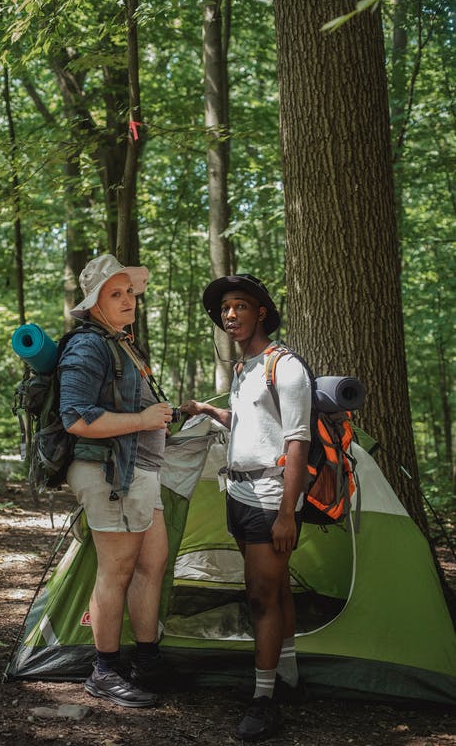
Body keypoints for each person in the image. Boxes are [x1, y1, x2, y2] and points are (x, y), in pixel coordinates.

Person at [181, 274, 311, 742]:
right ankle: (288, 679)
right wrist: (210, 411)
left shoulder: (287, 367)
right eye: (224, 310)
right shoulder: (244, 369)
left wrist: (287, 513)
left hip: (271, 499)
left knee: (260, 597)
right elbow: (252, 423)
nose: (229, 315)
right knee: (276, 592)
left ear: (261, 312)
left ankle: (264, 701)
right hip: (237, 495)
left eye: (239, 306)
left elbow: (297, 440)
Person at [59, 253, 173, 709]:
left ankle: (147, 660)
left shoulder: (122, 342)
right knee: (117, 570)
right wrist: (142, 417)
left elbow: (136, 410)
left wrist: (168, 414)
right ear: (94, 303)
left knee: (152, 564)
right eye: (116, 294)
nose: (128, 301)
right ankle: (104, 671)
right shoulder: (88, 345)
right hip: (111, 474)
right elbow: (75, 418)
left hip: (140, 471)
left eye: (129, 292)